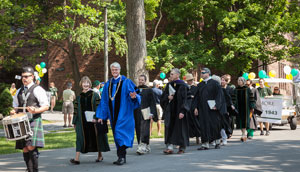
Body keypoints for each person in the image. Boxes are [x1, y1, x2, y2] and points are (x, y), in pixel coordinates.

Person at [96, 62, 140, 165]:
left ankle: (121, 156)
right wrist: (101, 116)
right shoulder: (108, 84)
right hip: (113, 115)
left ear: (119, 70)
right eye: (113, 70)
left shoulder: (126, 82)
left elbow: (137, 94)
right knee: (117, 134)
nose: (114, 71)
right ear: (111, 71)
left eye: (116, 69)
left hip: (124, 113)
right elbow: (104, 101)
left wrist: (134, 97)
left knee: (120, 133)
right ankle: (121, 156)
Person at [11, 66, 49, 172]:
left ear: (32, 76)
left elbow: (46, 106)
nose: (24, 79)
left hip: (33, 120)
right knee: (24, 148)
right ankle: (29, 169)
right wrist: (13, 111)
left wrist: (35, 110)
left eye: (27, 76)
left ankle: (34, 170)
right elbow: (15, 106)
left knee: (31, 146)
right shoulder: (18, 91)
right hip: (20, 122)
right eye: (23, 76)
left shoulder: (38, 89)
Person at [70, 76, 110, 165]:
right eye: (84, 83)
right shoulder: (79, 97)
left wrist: (97, 117)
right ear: (81, 84)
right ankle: (77, 159)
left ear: (90, 84)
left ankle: (100, 155)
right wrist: (74, 121)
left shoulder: (94, 94)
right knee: (80, 138)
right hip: (81, 121)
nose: (86, 84)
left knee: (97, 137)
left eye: (87, 83)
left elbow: (98, 106)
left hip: (93, 120)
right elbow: (75, 110)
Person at [160, 68, 189, 154]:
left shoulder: (183, 86)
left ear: (177, 75)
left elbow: (186, 100)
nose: (170, 76)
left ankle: (182, 147)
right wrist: (167, 98)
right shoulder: (169, 85)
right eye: (170, 74)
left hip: (179, 111)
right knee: (170, 128)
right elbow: (162, 98)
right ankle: (170, 147)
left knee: (180, 129)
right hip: (170, 111)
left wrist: (183, 111)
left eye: (172, 74)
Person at [192, 68, 223, 150]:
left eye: (203, 73)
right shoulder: (200, 85)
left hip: (212, 108)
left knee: (214, 124)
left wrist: (217, 105)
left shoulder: (215, 83)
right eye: (201, 73)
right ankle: (205, 144)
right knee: (203, 125)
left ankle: (217, 142)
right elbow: (196, 97)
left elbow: (219, 95)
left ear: (208, 73)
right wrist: (195, 107)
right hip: (202, 108)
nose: (201, 74)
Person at [134, 75, 157, 155]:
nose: (140, 81)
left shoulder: (149, 90)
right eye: (139, 80)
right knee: (138, 128)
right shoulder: (135, 90)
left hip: (146, 111)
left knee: (144, 128)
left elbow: (152, 102)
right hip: (137, 112)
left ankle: (143, 145)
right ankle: (144, 145)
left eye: (142, 80)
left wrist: (152, 113)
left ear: (145, 81)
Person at [235, 77, 255, 142]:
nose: (239, 81)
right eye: (238, 80)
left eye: (241, 80)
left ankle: (244, 134)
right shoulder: (236, 89)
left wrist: (252, 106)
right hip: (238, 108)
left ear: (243, 81)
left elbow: (251, 98)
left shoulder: (247, 89)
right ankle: (243, 133)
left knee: (245, 121)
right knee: (240, 121)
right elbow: (233, 99)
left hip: (246, 108)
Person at [185, 73, 201, 144]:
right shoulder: (185, 88)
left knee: (196, 122)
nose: (190, 81)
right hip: (187, 107)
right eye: (189, 80)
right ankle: (187, 138)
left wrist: (196, 108)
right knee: (187, 123)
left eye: (191, 80)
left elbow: (197, 98)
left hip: (193, 106)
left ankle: (198, 137)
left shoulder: (195, 88)